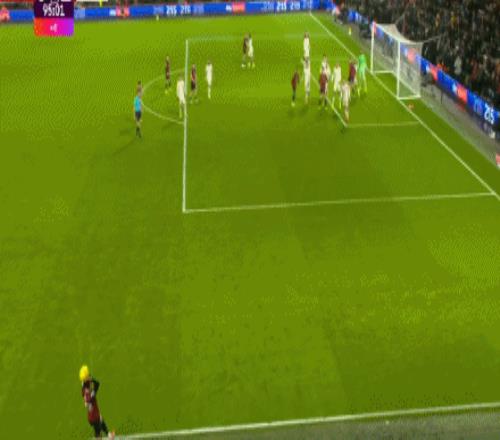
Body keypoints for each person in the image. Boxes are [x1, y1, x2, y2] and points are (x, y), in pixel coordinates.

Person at [79, 365, 115, 439]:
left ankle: (109, 434)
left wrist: (88, 379)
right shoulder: (91, 394)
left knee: (99, 427)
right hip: (94, 416)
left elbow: (84, 389)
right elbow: (97, 384)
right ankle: (109, 436)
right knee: (98, 432)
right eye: (88, 375)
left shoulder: (84, 387)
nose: (89, 375)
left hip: (91, 415)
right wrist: (92, 379)